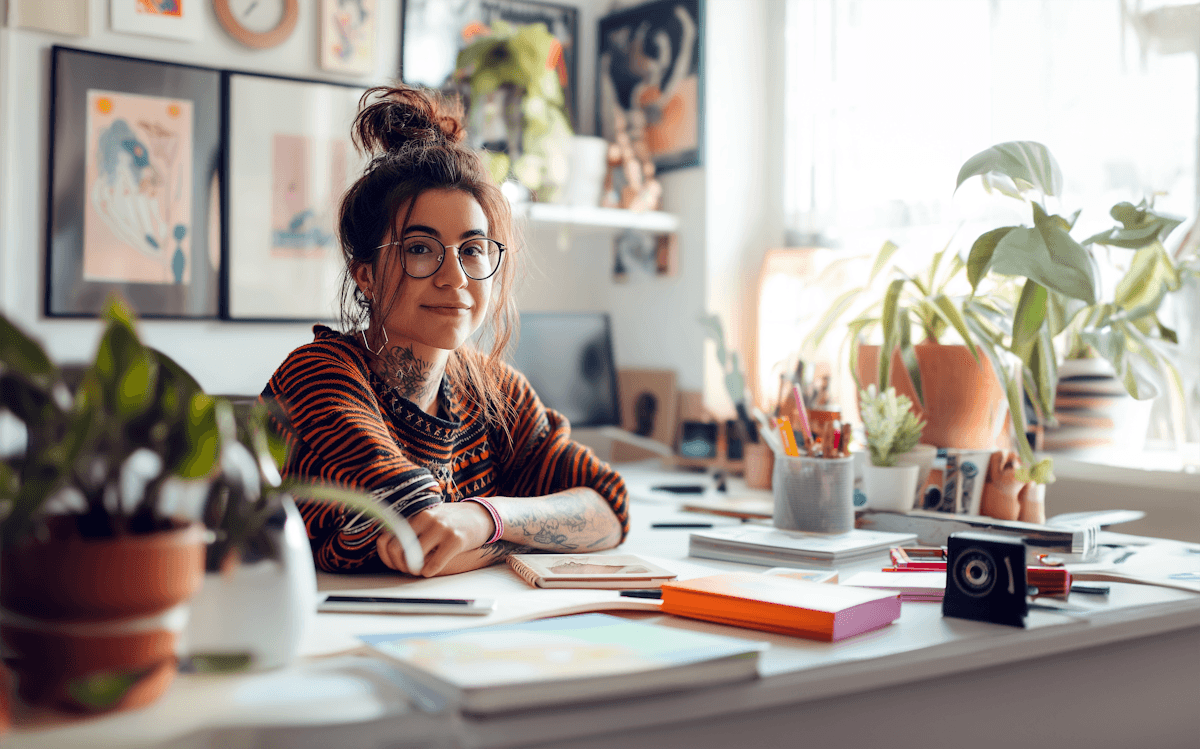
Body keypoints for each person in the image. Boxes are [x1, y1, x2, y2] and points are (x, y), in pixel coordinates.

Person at [262, 85, 628, 577]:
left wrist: (484, 518)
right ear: (365, 274)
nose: (454, 276)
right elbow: (416, 537)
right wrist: (531, 532)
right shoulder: (318, 377)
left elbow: (609, 507)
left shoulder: (496, 390)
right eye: (419, 248)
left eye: (472, 249)